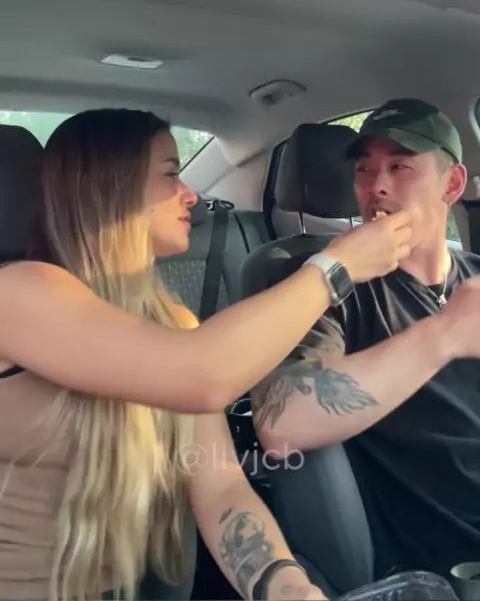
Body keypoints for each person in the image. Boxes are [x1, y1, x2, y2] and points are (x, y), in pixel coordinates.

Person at [0, 108, 413, 601]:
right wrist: (336, 268)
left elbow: (218, 484)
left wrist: (283, 583)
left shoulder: (175, 323)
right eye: (170, 174)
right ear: (111, 186)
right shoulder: (17, 294)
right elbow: (203, 373)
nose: (190, 194)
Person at [251, 98, 480, 585]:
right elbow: (279, 419)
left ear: (453, 184)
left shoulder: (476, 277)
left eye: (400, 166)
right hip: (451, 558)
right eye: (364, 169)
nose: (376, 186)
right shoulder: (327, 289)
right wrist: (442, 336)